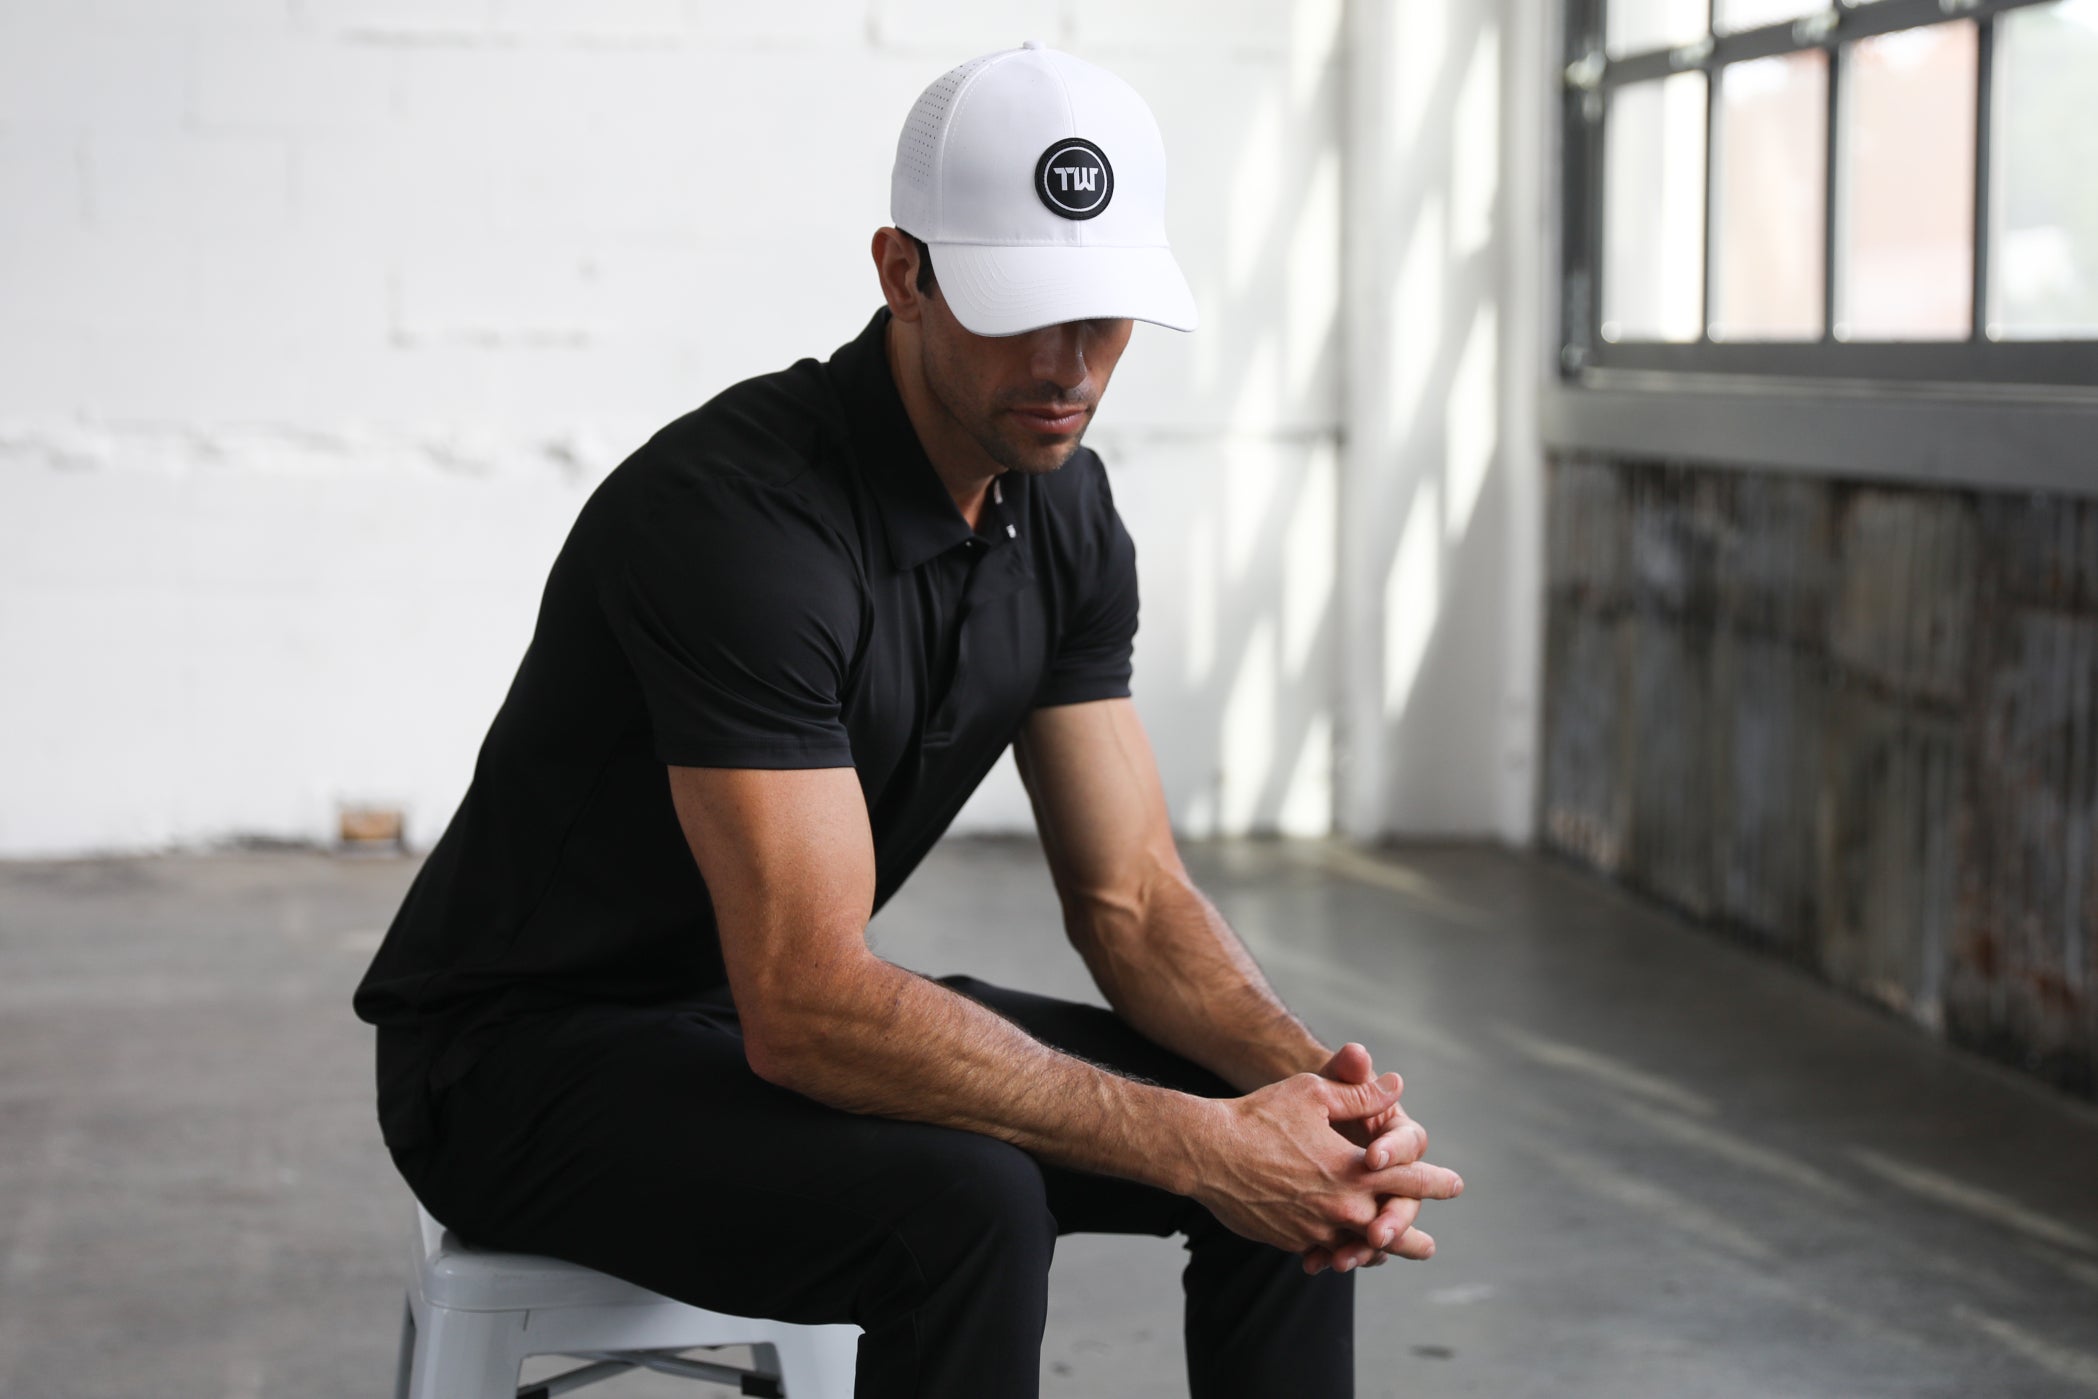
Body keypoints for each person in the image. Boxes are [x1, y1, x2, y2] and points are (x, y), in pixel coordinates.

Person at [353, 40, 1462, 1399]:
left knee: (1283, 1155)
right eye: (1021, 308)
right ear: (903, 273)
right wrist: (1201, 1142)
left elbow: (1129, 900)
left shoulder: (1064, 511)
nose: (1068, 366)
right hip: (520, 1068)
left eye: (1103, 315)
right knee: (970, 1205)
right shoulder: (730, 523)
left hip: (734, 1020)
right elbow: (811, 1004)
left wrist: (1317, 1099)